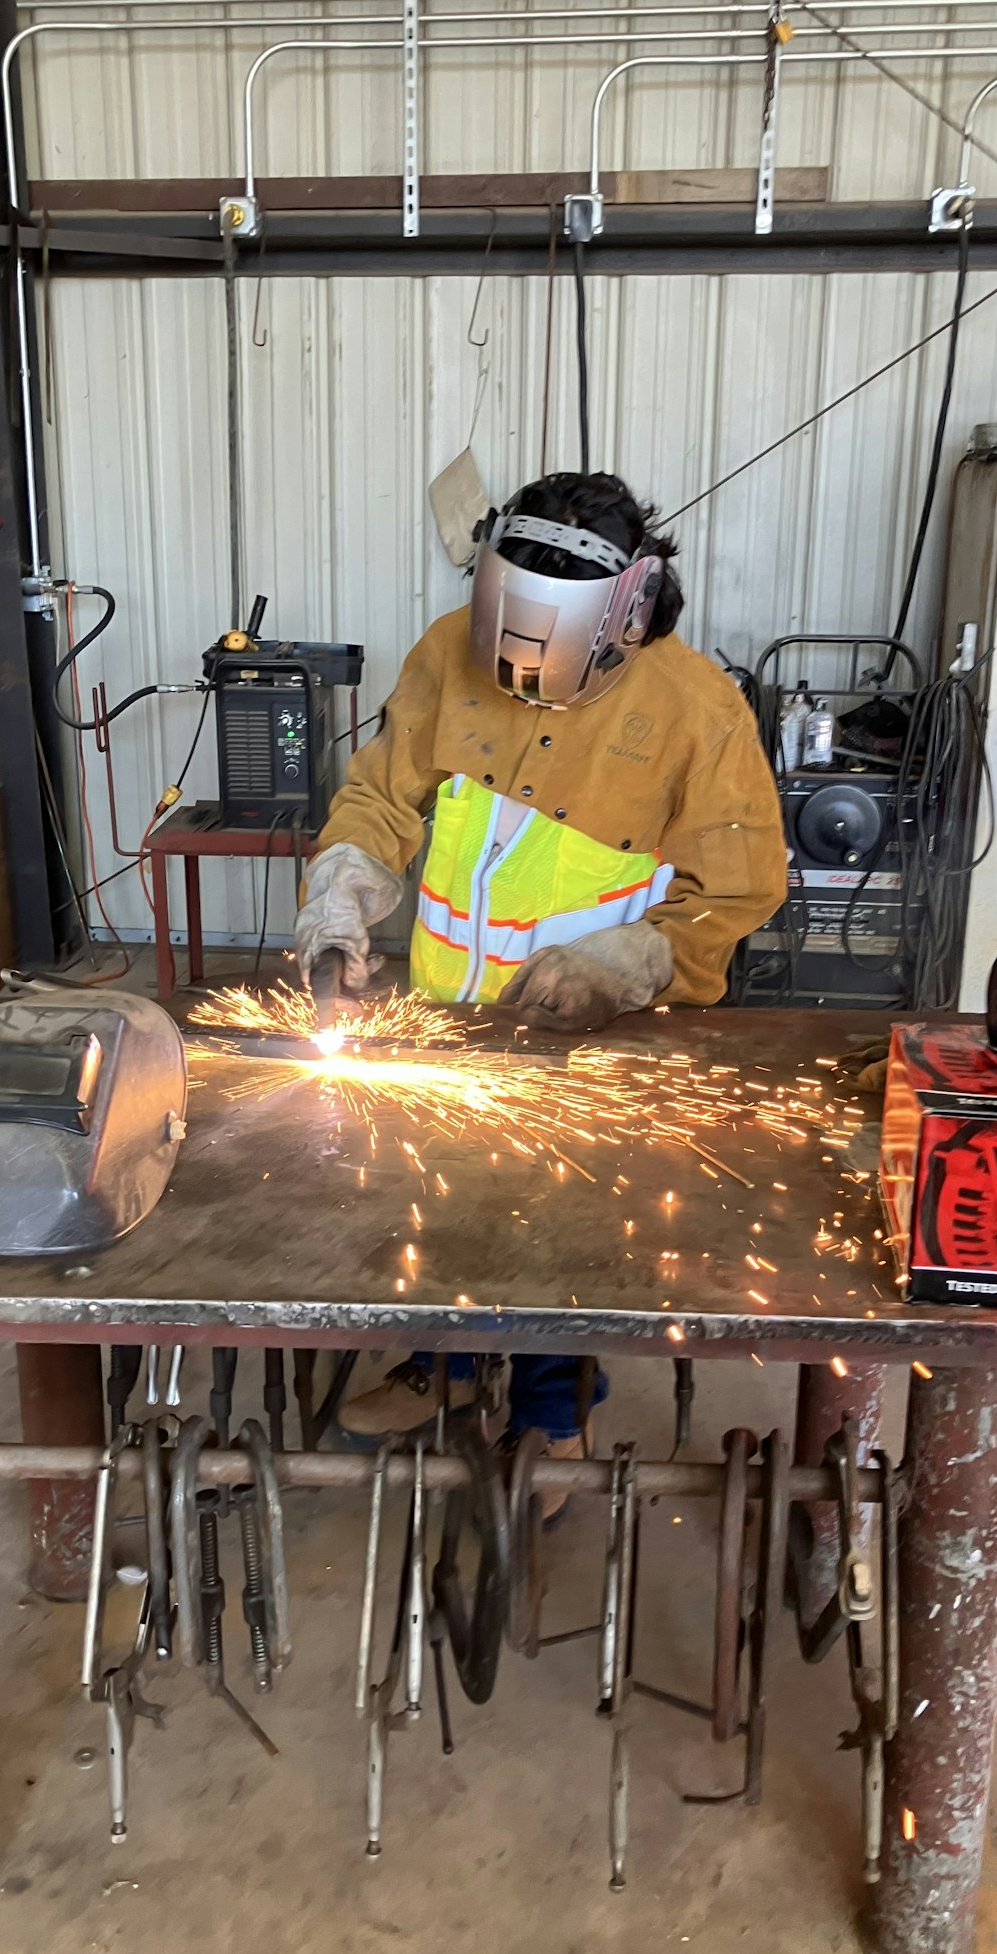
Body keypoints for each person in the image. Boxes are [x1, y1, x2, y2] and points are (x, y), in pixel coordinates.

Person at [294, 471, 786, 1483]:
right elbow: (381, 796)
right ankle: (445, 1366)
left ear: (624, 618)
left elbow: (738, 889)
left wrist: (632, 956)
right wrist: (342, 887)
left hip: (591, 1031)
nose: (517, 684)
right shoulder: (448, 650)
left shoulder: (699, 711)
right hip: (450, 1011)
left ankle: (554, 1419)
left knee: (562, 1230)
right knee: (438, 1200)